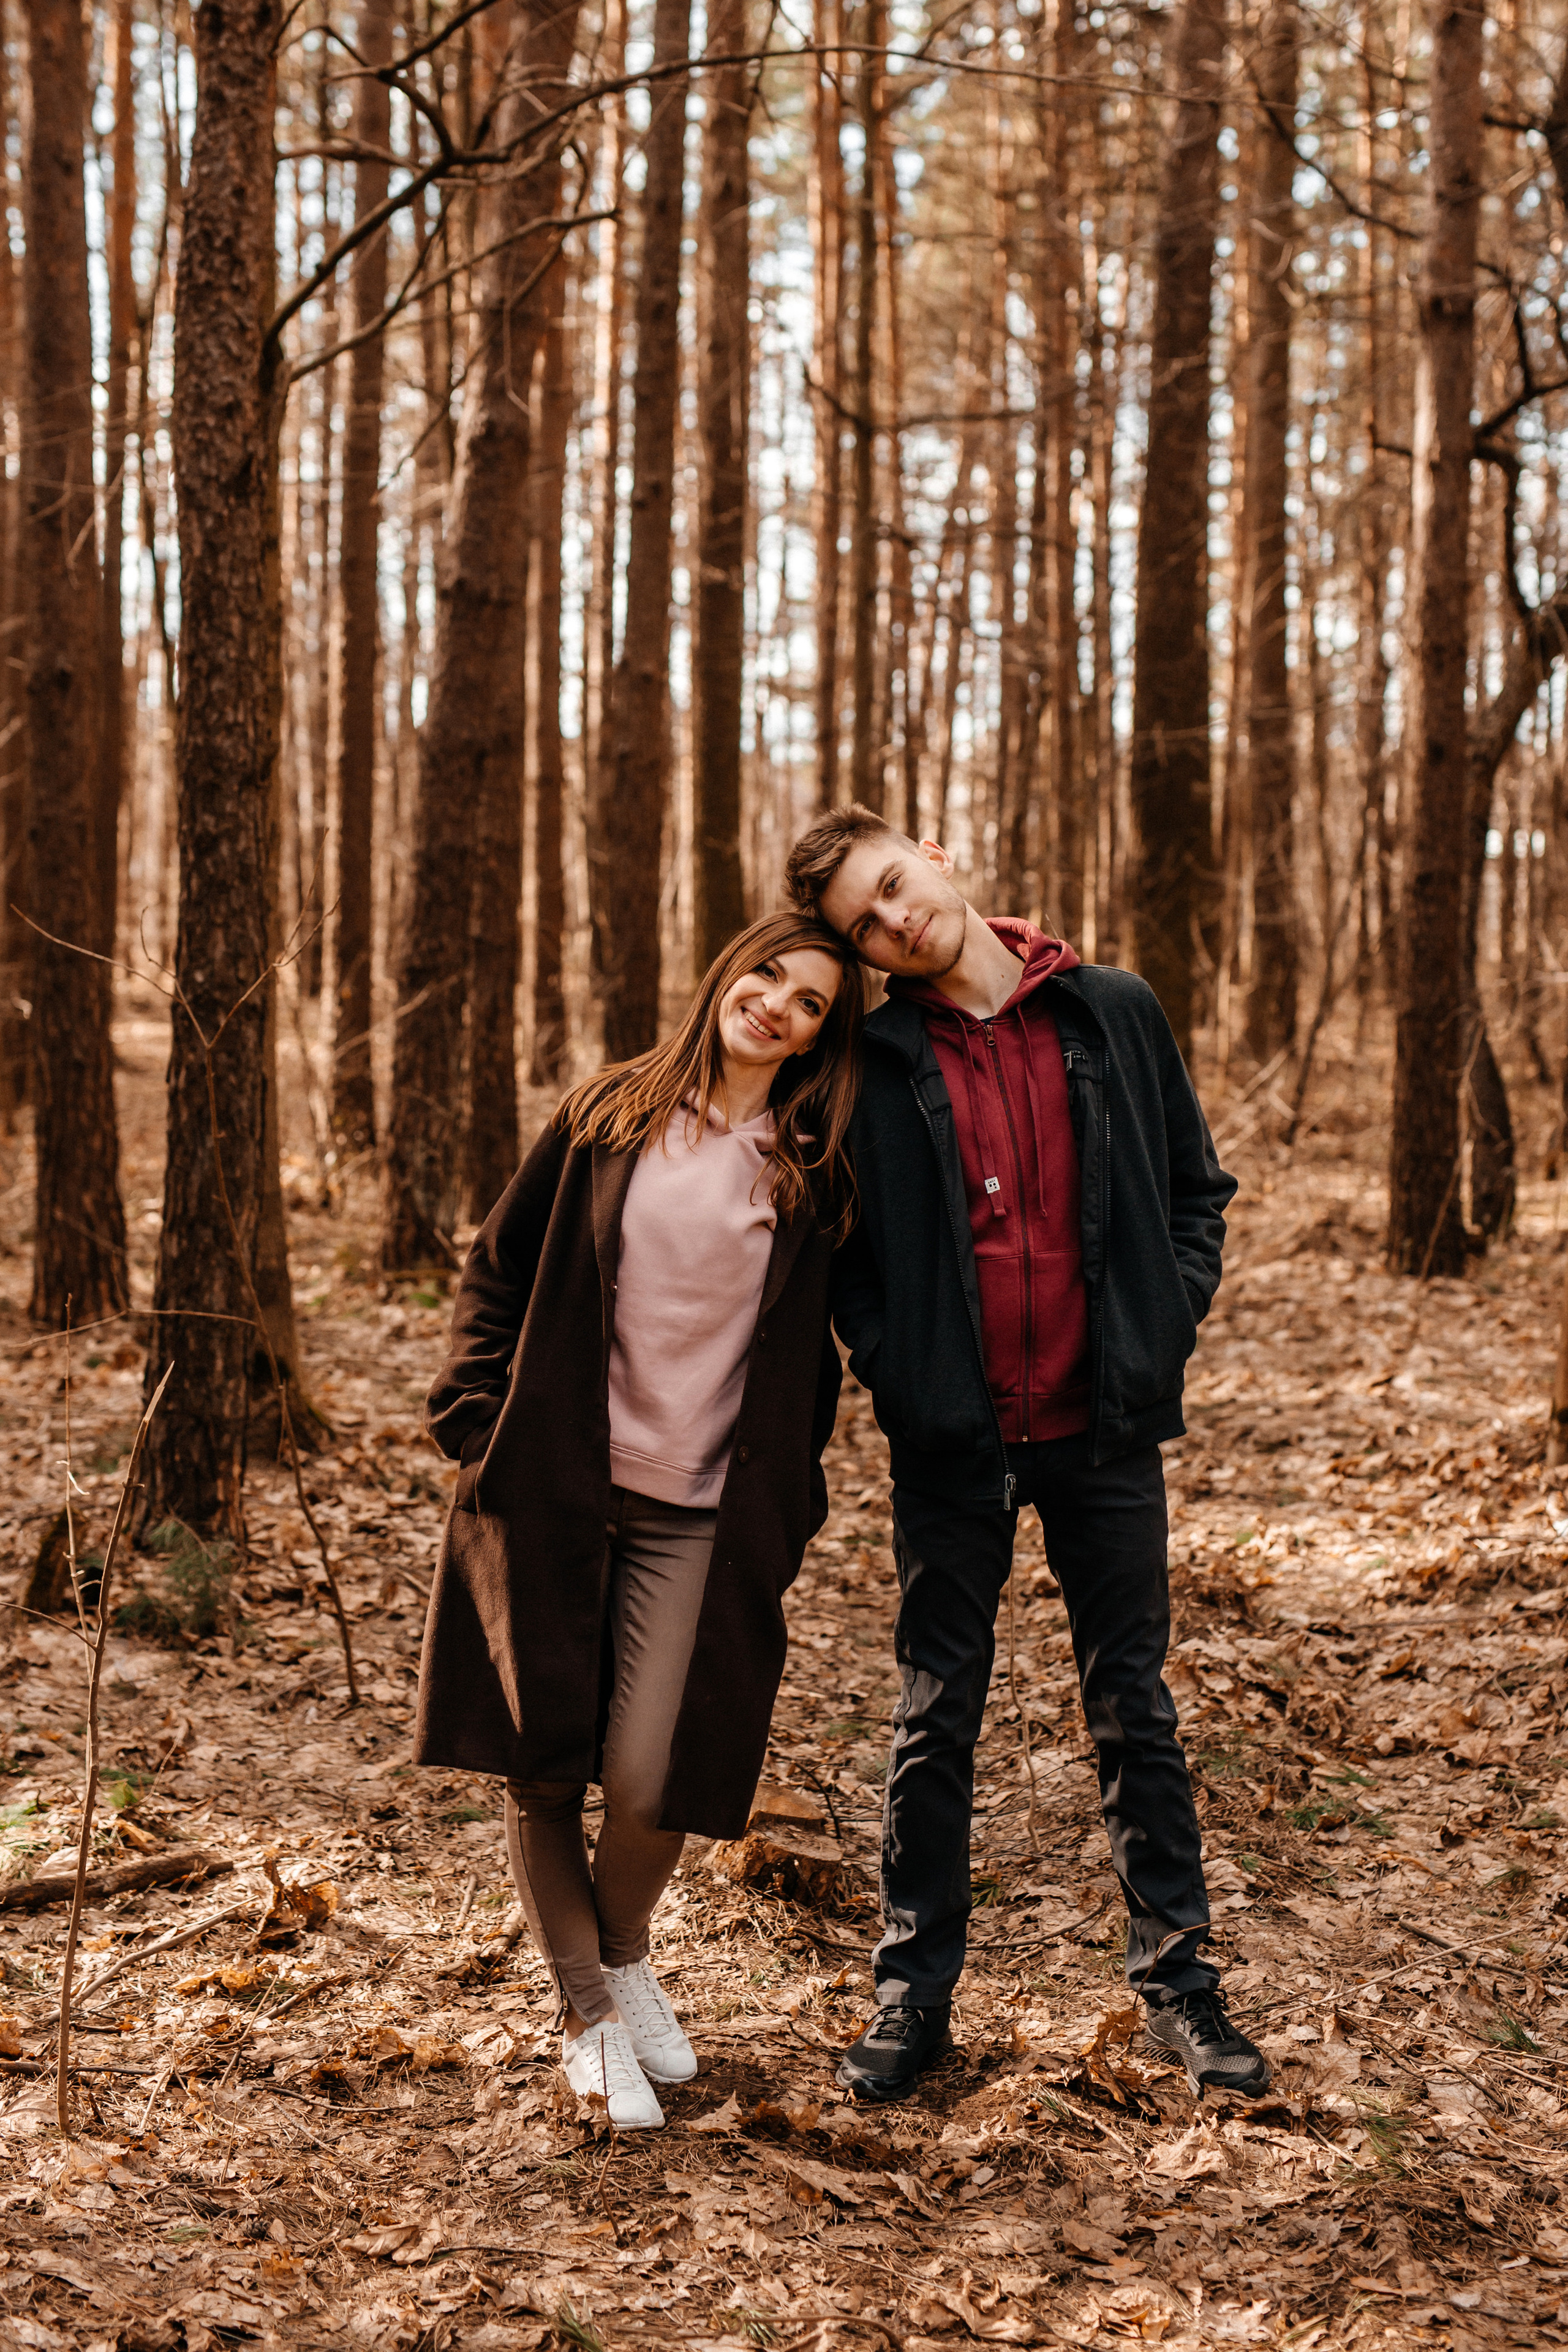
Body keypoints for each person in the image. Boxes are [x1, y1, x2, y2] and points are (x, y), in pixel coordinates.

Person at [783, 805, 1268, 2105]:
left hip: (1104, 1427)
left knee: (1134, 1708)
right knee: (936, 1715)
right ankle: (909, 1998)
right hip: (955, 1439)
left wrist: (1157, 1330)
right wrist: (905, 1374)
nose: (891, 921)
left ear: (935, 853)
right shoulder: (872, 1062)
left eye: (891, 885)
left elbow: (1193, 1190)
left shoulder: (1107, 1009)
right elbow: (852, 1262)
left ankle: (1180, 1987)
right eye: (863, 925)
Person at [413, 914, 865, 2128]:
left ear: (827, 1036)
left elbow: (818, 1356)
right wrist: (472, 1414)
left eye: (811, 1003)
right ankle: (587, 2017)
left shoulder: (812, 1162)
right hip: (555, 1491)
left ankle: (617, 1959)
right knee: (544, 1754)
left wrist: (792, 1498)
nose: (775, 1005)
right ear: (727, 970)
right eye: (766, 974)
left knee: (657, 1773)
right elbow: (496, 1265)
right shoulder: (608, 1112)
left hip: (700, 1516)